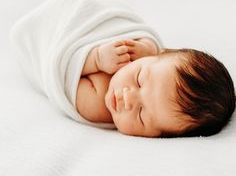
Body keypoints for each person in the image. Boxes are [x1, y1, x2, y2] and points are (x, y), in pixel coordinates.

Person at [76, 37, 235, 137]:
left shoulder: (96, 104)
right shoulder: (144, 53)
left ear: (156, 136)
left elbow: (58, 73)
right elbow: (135, 29)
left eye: (141, 115)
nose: (127, 98)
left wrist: (95, 59)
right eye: (139, 80)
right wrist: (147, 45)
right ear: (159, 53)